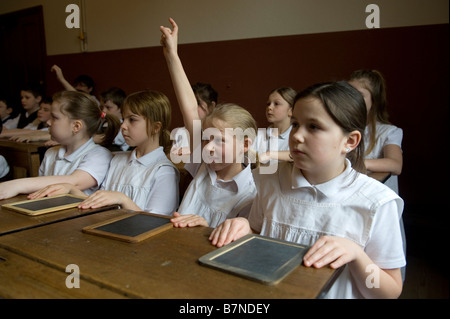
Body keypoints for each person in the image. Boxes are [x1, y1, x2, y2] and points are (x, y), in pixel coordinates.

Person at [210, 81, 405, 299]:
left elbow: (389, 290)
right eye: (295, 124)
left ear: (349, 141)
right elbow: (257, 231)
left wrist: (357, 256)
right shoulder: (271, 181)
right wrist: (244, 226)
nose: (297, 136)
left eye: (313, 127)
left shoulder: (376, 203)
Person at [160, 18, 257, 228]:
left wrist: (204, 229)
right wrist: (172, 55)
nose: (209, 147)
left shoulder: (251, 193)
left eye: (220, 140)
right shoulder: (204, 164)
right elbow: (189, 107)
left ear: (245, 144)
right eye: (205, 139)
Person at [30, 90, 180, 216]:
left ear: (155, 127)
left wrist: (123, 199)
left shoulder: (164, 171)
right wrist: (71, 189)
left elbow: (155, 222)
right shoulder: (116, 159)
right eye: (123, 119)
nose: (123, 126)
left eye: (132, 120)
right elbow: (99, 204)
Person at [0, 90, 119, 200]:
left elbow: (74, 182)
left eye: (55, 118)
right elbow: (41, 190)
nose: (48, 122)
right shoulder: (51, 153)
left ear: (76, 126)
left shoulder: (99, 155)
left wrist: (16, 185)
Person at [348, 69, 403, 194]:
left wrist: (359, 163)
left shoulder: (388, 132)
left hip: (377, 197)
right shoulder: (344, 129)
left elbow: (395, 165)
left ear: (374, 99)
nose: (353, 99)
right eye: (350, 94)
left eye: (360, 94)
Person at [170, 82, 218, 161]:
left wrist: (186, 151)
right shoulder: (180, 132)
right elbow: (173, 155)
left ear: (212, 106)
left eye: (197, 103)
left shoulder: (218, 132)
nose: (191, 109)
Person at [251, 87, 296, 164]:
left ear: (291, 111)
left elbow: (299, 155)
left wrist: (270, 154)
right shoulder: (259, 135)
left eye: (276, 104)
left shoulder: (296, 135)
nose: (269, 107)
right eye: (268, 104)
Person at [98, 87, 129, 152]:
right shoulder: (102, 122)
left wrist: (95, 139)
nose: (103, 110)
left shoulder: (123, 125)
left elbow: (118, 140)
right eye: (102, 107)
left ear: (121, 108)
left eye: (108, 107)